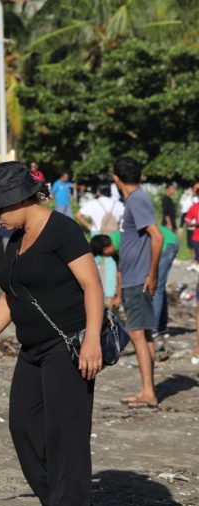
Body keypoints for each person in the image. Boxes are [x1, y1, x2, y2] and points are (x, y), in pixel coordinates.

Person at [0, 161, 104, 506]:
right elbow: (9, 298)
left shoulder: (63, 231)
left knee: (64, 434)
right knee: (23, 426)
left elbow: (92, 285)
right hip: (32, 349)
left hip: (67, 346)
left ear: (22, 199)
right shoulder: (16, 240)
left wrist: (92, 340)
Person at [113, 156, 163, 409]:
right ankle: (147, 388)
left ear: (116, 179)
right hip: (134, 277)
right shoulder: (134, 200)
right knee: (144, 333)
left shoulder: (137, 199)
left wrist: (151, 275)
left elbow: (157, 237)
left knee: (136, 333)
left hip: (138, 278)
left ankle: (148, 392)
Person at [154, 219, 178, 337]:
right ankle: (161, 326)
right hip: (168, 241)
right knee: (160, 286)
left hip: (167, 244)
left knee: (157, 286)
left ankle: (154, 327)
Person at [90, 234, 119, 307]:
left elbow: (122, 273)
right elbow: (119, 271)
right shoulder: (114, 248)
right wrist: (117, 295)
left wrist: (118, 297)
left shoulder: (122, 243)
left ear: (105, 250)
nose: (105, 256)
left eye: (101, 255)